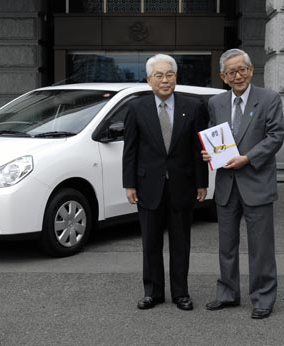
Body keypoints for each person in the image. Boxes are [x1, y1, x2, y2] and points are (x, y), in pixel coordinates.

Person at [203, 49, 284, 319]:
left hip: (256, 182)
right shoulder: (216, 103)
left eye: (242, 69)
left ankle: (263, 297)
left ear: (251, 70)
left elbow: (275, 136)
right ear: (223, 77)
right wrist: (209, 154)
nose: (237, 75)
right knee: (226, 245)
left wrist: (248, 158)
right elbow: (217, 138)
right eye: (231, 72)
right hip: (227, 185)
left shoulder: (269, 98)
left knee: (261, 247)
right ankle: (227, 292)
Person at [122, 54, 208, 311]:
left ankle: (181, 293)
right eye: (158, 75)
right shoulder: (136, 108)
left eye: (169, 74)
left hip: (183, 185)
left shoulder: (193, 107)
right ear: (149, 80)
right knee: (150, 243)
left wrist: (202, 183)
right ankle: (152, 292)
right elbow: (130, 150)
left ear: (176, 78)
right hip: (148, 186)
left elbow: (198, 149)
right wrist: (129, 184)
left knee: (181, 243)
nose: (164, 80)